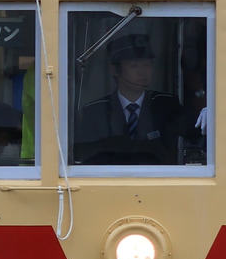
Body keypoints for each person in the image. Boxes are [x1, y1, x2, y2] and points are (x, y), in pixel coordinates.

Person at [74, 33, 187, 165]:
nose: (142, 72)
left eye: (147, 65)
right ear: (115, 70)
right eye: (134, 66)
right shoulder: (95, 111)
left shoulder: (166, 105)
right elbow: (87, 155)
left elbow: (190, 133)